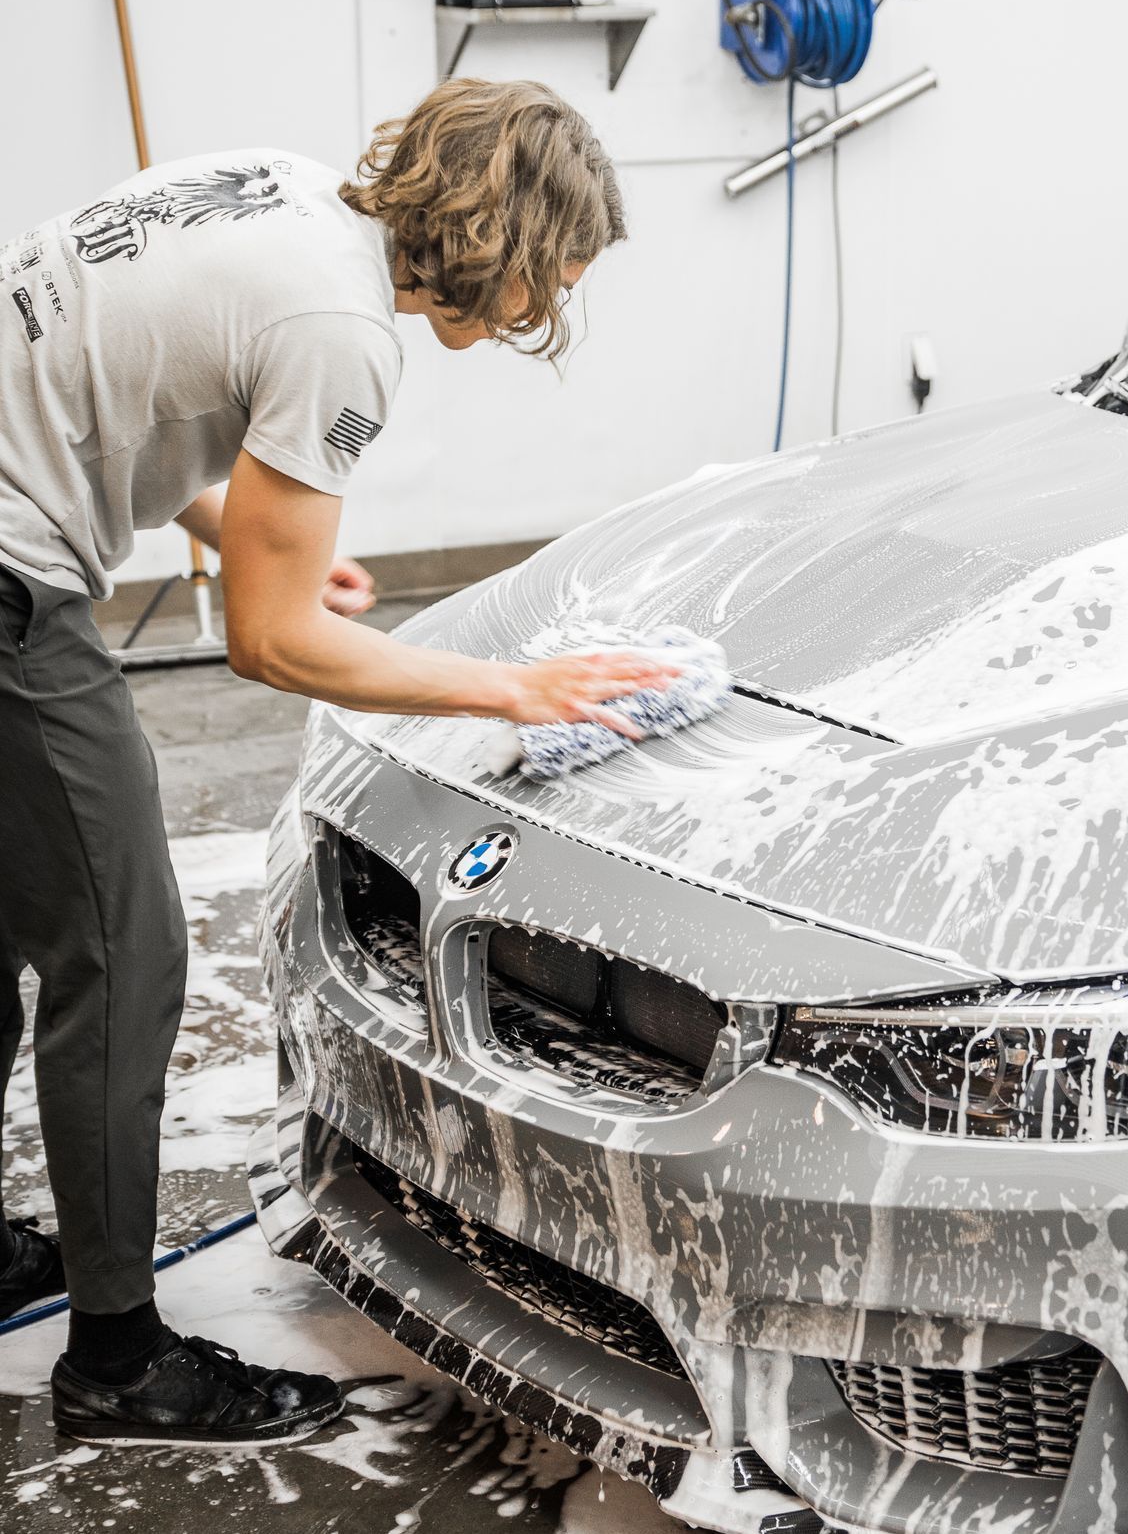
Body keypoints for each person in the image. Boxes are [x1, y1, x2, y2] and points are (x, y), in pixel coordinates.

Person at [0, 78, 671, 1445]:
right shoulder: (344, 333)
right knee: (122, 958)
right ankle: (120, 1365)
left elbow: (116, 389)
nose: (548, 307)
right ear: (513, 244)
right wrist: (512, 687)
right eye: (558, 274)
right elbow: (271, 643)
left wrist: (234, 519)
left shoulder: (282, 189)